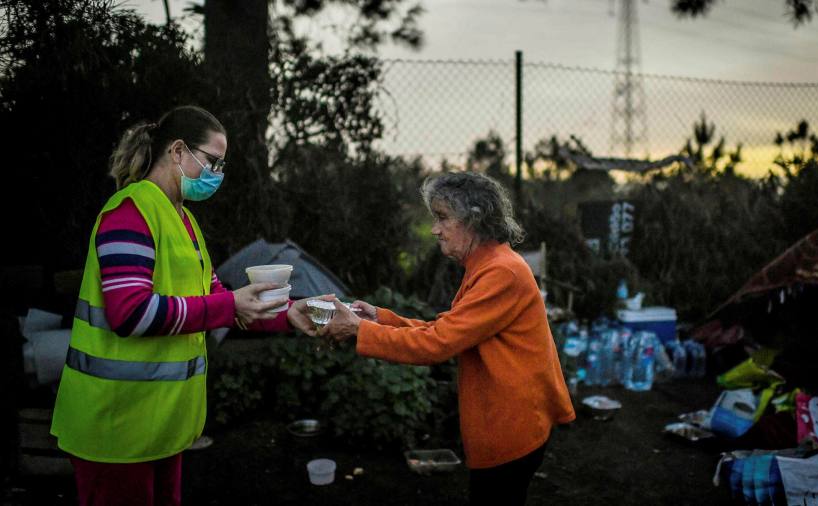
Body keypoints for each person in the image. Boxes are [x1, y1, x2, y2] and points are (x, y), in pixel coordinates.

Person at [51, 105, 294, 506]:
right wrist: (229, 304)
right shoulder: (130, 212)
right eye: (212, 161)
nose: (217, 174)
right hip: (116, 430)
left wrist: (297, 313)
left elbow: (222, 302)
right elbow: (131, 313)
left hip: (161, 429)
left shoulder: (185, 220)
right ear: (178, 151)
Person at [304, 171, 576, 505]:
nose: (434, 229)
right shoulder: (489, 264)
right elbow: (447, 331)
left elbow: (439, 343)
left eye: (442, 218)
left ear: (474, 218)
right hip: (508, 422)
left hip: (511, 427)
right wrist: (380, 318)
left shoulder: (500, 272)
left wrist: (360, 329)